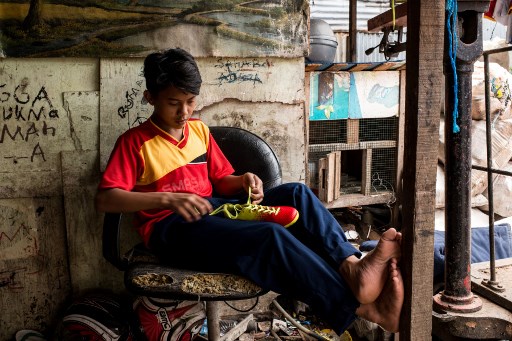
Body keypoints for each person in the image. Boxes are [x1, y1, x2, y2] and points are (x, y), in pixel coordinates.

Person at [95, 48, 404, 335]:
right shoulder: (134, 142)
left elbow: (222, 179)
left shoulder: (199, 131)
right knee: (269, 237)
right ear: (150, 97)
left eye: (190, 101)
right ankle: (364, 308)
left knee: (297, 194)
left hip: (214, 207)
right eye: (173, 103)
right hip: (171, 228)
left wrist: (244, 180)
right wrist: (167, 198)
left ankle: (351, 266)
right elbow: (106, 199)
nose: (184, 111)